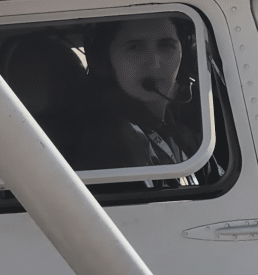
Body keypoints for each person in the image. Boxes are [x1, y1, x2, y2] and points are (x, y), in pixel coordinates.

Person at [74, 16, 219, 187]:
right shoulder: (107, 141)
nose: (154, 64)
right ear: (105, 60)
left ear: (184, 54)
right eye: (135, 47)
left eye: (166, 45)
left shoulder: (180, 133)